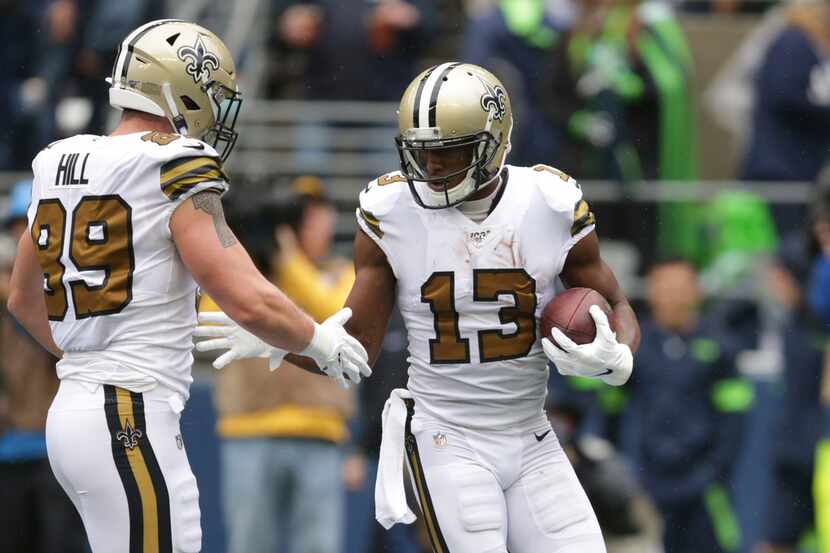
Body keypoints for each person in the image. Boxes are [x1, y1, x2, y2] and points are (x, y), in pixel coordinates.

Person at [199, 62, 640, 553]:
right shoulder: (392, 210)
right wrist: (286, 337)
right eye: (422, 153)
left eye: (448, 152)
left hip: (531, 432)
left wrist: (618, 354)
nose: (431, 168)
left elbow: (616, 301)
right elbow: (356, 348)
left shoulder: (549, 202)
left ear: (493, 141)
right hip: (447, 436)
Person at [7, 20, 370, 553]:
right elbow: (244, 293)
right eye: (212, 96)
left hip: (76, 409)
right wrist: (316, 339)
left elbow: (22, 297)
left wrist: (91, 360)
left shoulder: (56, 162)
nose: (216, 111)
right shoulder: (172, 162)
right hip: (127, 411)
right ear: (179, 89)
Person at [203, 178, 359, 553]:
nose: (307, 225)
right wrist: (256, 263)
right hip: (248, 428)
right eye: (299, 217)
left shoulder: (342, 273)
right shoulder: (247, 281)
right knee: (250, 544)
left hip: (320, 430)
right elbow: (210, 320)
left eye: (312, 215)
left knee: (319, 546)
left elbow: (336, 314)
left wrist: (287, 259)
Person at [625, 258, 752, 553]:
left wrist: (712, 474)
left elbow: (735, 421)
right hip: (646, 487)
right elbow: (612, 412)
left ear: (697, 292)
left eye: (680, 287)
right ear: (651, 292)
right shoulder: (630, 347)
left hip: (703, 488)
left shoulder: (722, 347)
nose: (673, 296)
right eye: (664, 287)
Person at [0, 179, 87, 553]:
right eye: (22, 227)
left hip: (62, 452)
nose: (30, 239)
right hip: (8, 447)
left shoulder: (79, 285)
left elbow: (65, 349)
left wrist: (13, 293)